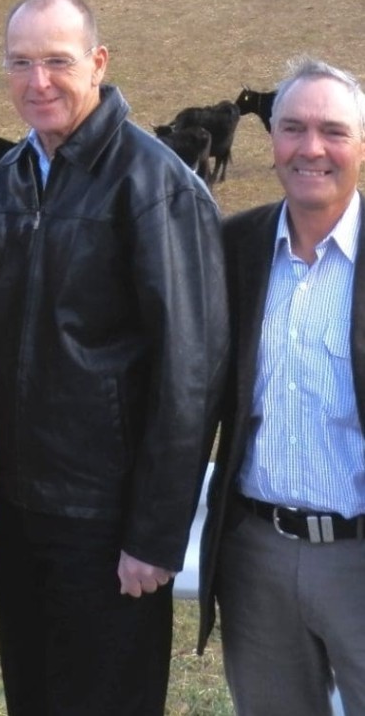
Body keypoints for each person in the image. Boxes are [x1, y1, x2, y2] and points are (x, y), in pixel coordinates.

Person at [0, 0, 229, 716]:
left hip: (106, 517)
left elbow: (192, 370)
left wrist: (154, 532)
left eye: (57, 61)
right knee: (35, 693)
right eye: (21, 62)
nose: (38, 81)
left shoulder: (154, 186)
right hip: (21, 510)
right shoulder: (8, 181)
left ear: (99, 62)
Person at [199, 57, 365, 715]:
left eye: (333, 131)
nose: (311, 148)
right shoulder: (232, 247)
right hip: (257, 557)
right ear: (271, 138)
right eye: (292, 128)